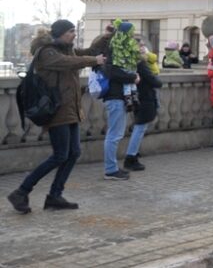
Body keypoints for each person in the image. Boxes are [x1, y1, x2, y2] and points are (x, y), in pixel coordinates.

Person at [7, 20, 106, 214]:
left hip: (70, 110)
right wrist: (94, 61)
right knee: (60, 155)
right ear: (60, 33)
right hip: (56, 111)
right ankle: (21, 191)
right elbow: (66, 63)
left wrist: (106, 36)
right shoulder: (47, 52)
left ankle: (54, 196)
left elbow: (90, 51)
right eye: (71, 31)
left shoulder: (66, 49)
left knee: (74, 153)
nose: (74, 34)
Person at [97, 22, 144, 180]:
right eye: (130, 33)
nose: (132, 37)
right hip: (115, 96)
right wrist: (132, 77)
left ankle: (112, 168)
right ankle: (110, 170)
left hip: (118, 96)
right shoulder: (115, 50)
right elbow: (113, 73)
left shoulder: (118, 49)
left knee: (115, 134)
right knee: (114, 135)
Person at [123, 45, 162, 171]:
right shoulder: (140, 64)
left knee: (138, 127)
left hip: (136, 97)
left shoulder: (129, 63)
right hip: (145, 99)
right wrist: (156, 79)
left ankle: (134, 153)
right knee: (139, 128)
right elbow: (155, 82)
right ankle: (131, 157)